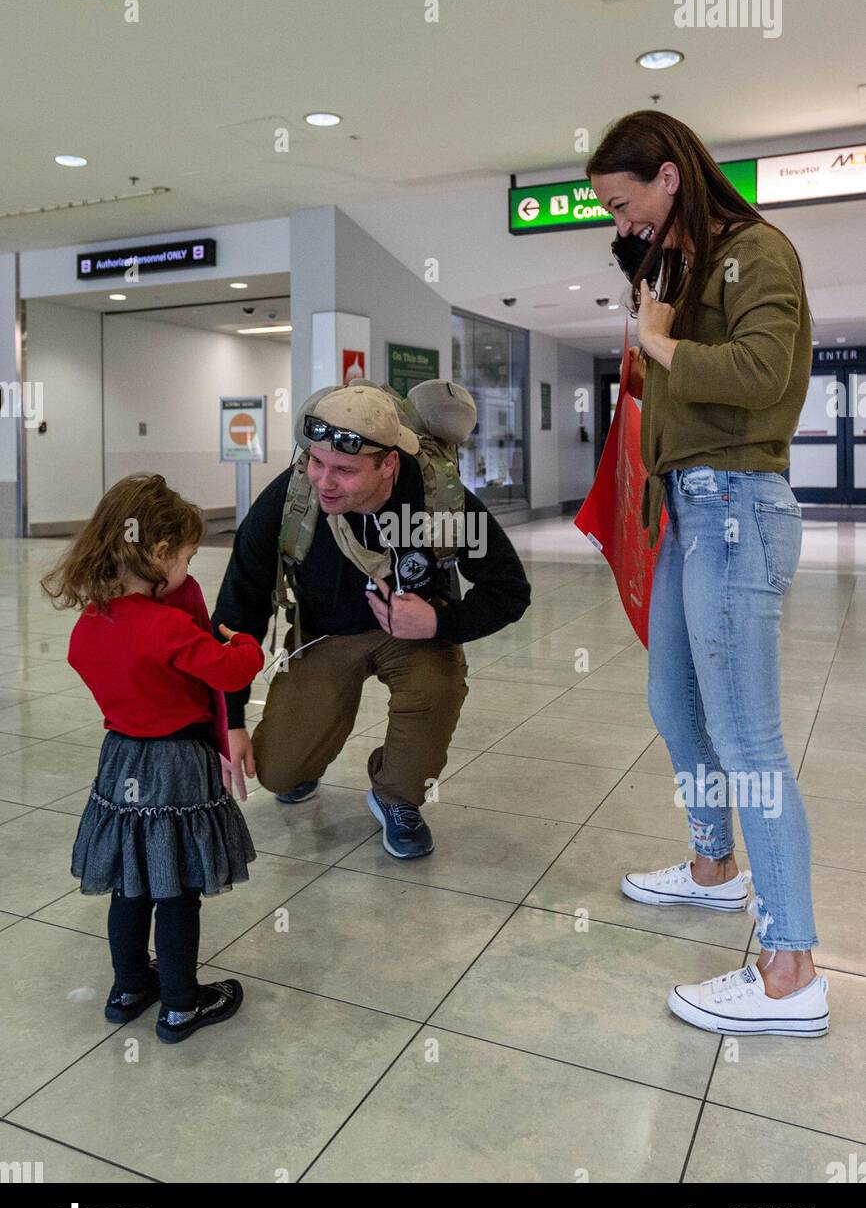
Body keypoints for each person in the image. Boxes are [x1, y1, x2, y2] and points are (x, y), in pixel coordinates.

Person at [588, 110, 828, 1038]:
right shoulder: (683, 267)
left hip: (736, 507)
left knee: (747, 739)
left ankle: (790, 969)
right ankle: (713, 867)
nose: (620, 222)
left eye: (624, 202)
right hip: (692, 510)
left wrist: (657, 341)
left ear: (670, 178)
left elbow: (765, 373)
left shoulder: (759, 251)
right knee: (675, 704)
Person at [213, 383, 531, 859]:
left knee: (435, 689)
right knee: (278, 772)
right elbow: (238, 610)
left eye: (344, 470)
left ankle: (395, 796)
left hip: (414, 638)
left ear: (388, 464)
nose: (324, 481)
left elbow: (510, 591)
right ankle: (307, 759)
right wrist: (229, 718)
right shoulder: (292, 498)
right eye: (317, 462)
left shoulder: (439, 500)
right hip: (325, 634)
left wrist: (439, 626)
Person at [41, 474, 265, 1044]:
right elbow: (234, 670)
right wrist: (240, 640)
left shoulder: (89, 626)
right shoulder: (168, 627)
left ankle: (129, 988)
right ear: (159, 553)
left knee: (130, 883)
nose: (189, 570)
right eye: (187, 558)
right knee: (178, 889)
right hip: (176, 764)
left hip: (120, 761)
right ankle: (181, 1006)